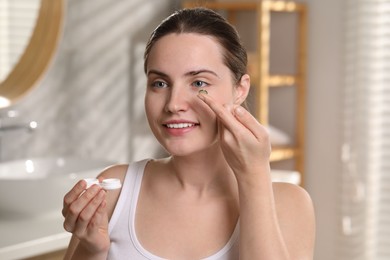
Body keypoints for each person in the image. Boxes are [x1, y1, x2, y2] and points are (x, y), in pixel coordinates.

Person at [62, 7, 315, 260]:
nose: (174, 103)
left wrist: (254, 175)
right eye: (160, 84)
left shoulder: (288, 205)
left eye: (199, 83)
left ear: (240, 89)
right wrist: (92, 250)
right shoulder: (115, 192)